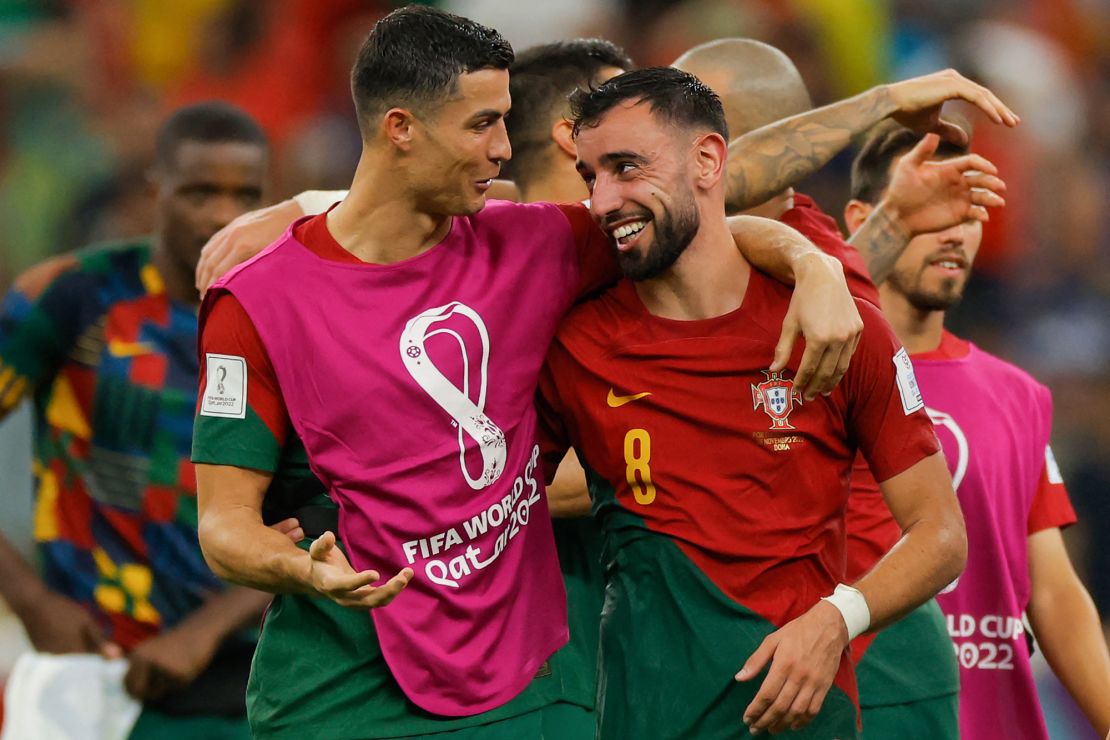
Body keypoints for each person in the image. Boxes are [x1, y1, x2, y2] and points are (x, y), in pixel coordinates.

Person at [190, 8, 863, 739]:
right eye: (482, 124)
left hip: (520, 691)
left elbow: (696, 203)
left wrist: (813, 264)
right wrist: (296, 570)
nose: (505, 149)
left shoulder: (535, 245)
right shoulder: (256, 301)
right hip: (339, 691)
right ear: (400, 129)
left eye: (507, 121)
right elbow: (224, 524)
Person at [536, 66, 967, 739]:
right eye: (591, 176)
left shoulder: (839, 324)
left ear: (709, 160)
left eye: (623, 167)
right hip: (648, 718)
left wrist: (837, 619)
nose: (600, 200)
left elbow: (942, 535)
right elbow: (489, 496)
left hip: (809, 717)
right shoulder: (575, 344)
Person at [673, 38, 1007, 736]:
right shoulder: (781, 254)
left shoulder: (801, 271)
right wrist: (891, 222)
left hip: (862, 650)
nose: (657, 144)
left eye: (685, 120)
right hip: (783, 640)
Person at [0, 102, 286, 738]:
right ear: (154, 187)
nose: (221, 214)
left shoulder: (284, 320)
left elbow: (325, 514)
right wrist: (29, 599)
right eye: (199, 192)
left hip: (240, 675)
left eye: (244, 194)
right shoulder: (74, 296)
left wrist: (202, 633)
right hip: (84, 670)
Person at [844, 121, 1110, 740]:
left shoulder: (1019, 395)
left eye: (969, 211)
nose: (955, 232)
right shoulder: (812, 380)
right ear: (864, 217)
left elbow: (1053, 591)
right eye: (931, 207)